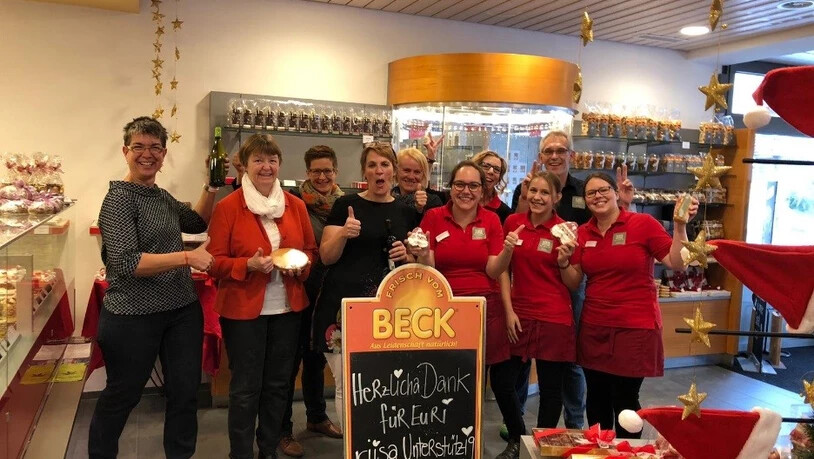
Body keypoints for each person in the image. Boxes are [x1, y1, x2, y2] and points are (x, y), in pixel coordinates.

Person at [90, 116, 216, 459]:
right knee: (123, 395)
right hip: (132, 315)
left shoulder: (161, 196)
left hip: (180, 312)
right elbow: (128, 263)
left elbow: (197, 222)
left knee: (184, 392)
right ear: (125, 152)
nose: (148, 154)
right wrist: (187, 259)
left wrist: (211, 186)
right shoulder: (117, 200)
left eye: (155, 147)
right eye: (139, 147)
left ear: (163, 154)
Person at [509, 130, 634, 432]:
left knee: (572, 360)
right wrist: (528, 197)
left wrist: (625, 203)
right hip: (531, 286)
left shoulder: (586, 189)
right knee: (522, 361)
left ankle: (574, 421)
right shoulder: (524, 189)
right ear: (541, 156)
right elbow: (518, 228)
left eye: (561, 150)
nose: (554, 155)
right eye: (548, 151)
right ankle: (518, 415)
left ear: (571, 155)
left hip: (574, 282)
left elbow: (607, 220)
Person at [557, 172, 698, 438]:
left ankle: (628, 453)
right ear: (585, 200)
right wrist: (564, 262)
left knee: (625, 402)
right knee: (596, 401)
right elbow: (574, 281)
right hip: (594, 329)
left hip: (634, 329)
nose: (598, 196)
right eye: (591, 193)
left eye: (603, 190)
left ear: (615, 193)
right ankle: (600, 452)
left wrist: (680, 226)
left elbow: (676, 262)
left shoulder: (643, 224)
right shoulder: (583, 233)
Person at [206, 134, 317, 459]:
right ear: (245, 165)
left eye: (271, 160)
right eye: (258, 160)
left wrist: (302, 266)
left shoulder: (295, 206)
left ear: (279, 164)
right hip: (243, 313)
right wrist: (248, 265)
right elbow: (214, 262)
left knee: (279, 386)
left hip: (287, 309)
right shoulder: (229, 206)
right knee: (244, 390)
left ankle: (267, 450)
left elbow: (309, 251)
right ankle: (240, 454)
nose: (266, 166)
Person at [409, 160, 517, 459]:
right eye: (460, 184)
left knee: (485, 380)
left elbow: (494, 270)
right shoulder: (433, 217)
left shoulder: (492, 221)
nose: (465, 191)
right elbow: (429, 266)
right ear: (450, 187)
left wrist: (508, 250)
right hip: (444, 311)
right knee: (449, 379)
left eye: (473, 185)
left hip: (484, 309)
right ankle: (450, 439)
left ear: (483, 190)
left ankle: (490, 440)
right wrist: (419, 254)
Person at [313, 141, 414, 430]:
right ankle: (352, 447)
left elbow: (416, 259)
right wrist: (344, 233)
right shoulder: (346, 205)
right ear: (364, 171)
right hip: (343, 309)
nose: (378, 171)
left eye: (384, 165)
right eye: (372, 165)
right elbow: (327, 256)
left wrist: (407, 255)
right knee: (348, 385)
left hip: (389, 312)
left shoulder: (406, 210)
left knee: (384, 385)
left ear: (393, 171)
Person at [497, 171, 578, 452]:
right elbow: (503, 271)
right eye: (533, 190)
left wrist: (565, 262)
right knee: (502, 381)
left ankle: (540, 447)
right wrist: (508, 311)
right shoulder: (513, 223)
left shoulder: (565, 231)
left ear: (557, 198)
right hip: (518, 312)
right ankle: (518, 439)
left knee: (551, 389)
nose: (537, 197)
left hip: (554, 316)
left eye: (545, 193)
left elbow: (574, 282)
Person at [280, 145, 344, 457]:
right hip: (297, 291)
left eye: (327, 171)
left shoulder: (344, 205)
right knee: (289, 363)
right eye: (315, 171)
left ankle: (317, 417)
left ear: (336, 172)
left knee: (316, 359)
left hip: (328, 295)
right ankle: (282, 430)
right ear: (307, 172)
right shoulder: (292, 205)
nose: (321, 176)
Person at [392, 147, 443, 226]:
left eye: (417, 172)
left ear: (423, 175)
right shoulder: (386, 198)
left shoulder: (432, 202)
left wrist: (419, 210)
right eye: (406, 170)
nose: (411, 176)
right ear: (396, 171)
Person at [472, 150, 511, 223]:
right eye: (486, 166)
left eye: (496, 169)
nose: (491, 171)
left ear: (499, 178)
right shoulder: (458, 201)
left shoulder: (505, 213)